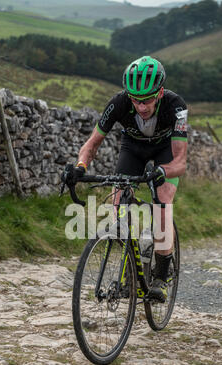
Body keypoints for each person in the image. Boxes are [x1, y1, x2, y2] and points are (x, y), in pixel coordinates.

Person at [64, 56, 188, 302]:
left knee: (162, 201)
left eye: (148, 100)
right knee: (118, 203)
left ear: (160, 92)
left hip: (165, 150)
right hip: (133, 148)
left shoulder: (176, 106)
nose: (142, 106)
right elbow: (92, 144)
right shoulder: (119, 103)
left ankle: (162, 277)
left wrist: (163, 171)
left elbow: (180, 162)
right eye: (136, 100)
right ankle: (130, 270)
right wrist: (80, 166)